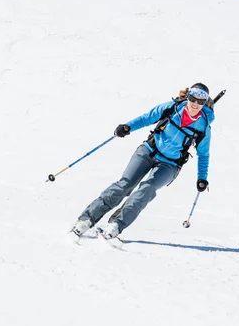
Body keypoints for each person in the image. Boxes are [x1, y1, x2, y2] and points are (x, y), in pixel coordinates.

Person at [71, 83, 215, 245]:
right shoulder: (172, 108)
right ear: (187, 96)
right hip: (148, 151)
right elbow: (148, 118)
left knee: (147, 189)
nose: (195, 103)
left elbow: (203, 154)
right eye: (192, 98)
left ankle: (116, 225)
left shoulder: (203, 127)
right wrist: (128, 127)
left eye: (201, 100)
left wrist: (202, 178)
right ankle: (86, 220)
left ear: (205, 103)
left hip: (170, 164)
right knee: (125, 184)